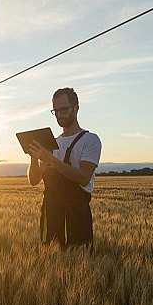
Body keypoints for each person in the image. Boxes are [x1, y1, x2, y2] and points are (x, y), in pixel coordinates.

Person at [27, 87, 102, 248]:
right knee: (50, 262)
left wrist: (51, 160)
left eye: (64, 109)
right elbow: (34, 180)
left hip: (76, 214)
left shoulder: (90, 140)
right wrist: (34, 156)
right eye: (56, 111)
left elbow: (83, 177)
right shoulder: (51, 143)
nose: (60, 114)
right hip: (50, 213)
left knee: (79, 262)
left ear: (76, 107)